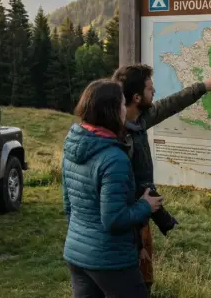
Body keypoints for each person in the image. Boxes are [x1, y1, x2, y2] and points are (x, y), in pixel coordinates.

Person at [112, 64, 211, 289]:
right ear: (136, 97)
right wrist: (137, 244)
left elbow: (170, 105)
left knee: (144, 282)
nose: (154, 92)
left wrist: (203, 87)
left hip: (140, 216)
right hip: (127, 222)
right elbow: (119, 195)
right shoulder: (118, 136)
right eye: (149, 89)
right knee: (132, 285)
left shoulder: (139, 120)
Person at [62, 78, 164, 298]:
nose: (124, 109)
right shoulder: (113, 159)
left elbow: (69, 206)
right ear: (111, 111)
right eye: (121, 104)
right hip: (111, 260)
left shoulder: (72, 146)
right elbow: (114, 219)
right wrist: (146, 205)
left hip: (77, 255)